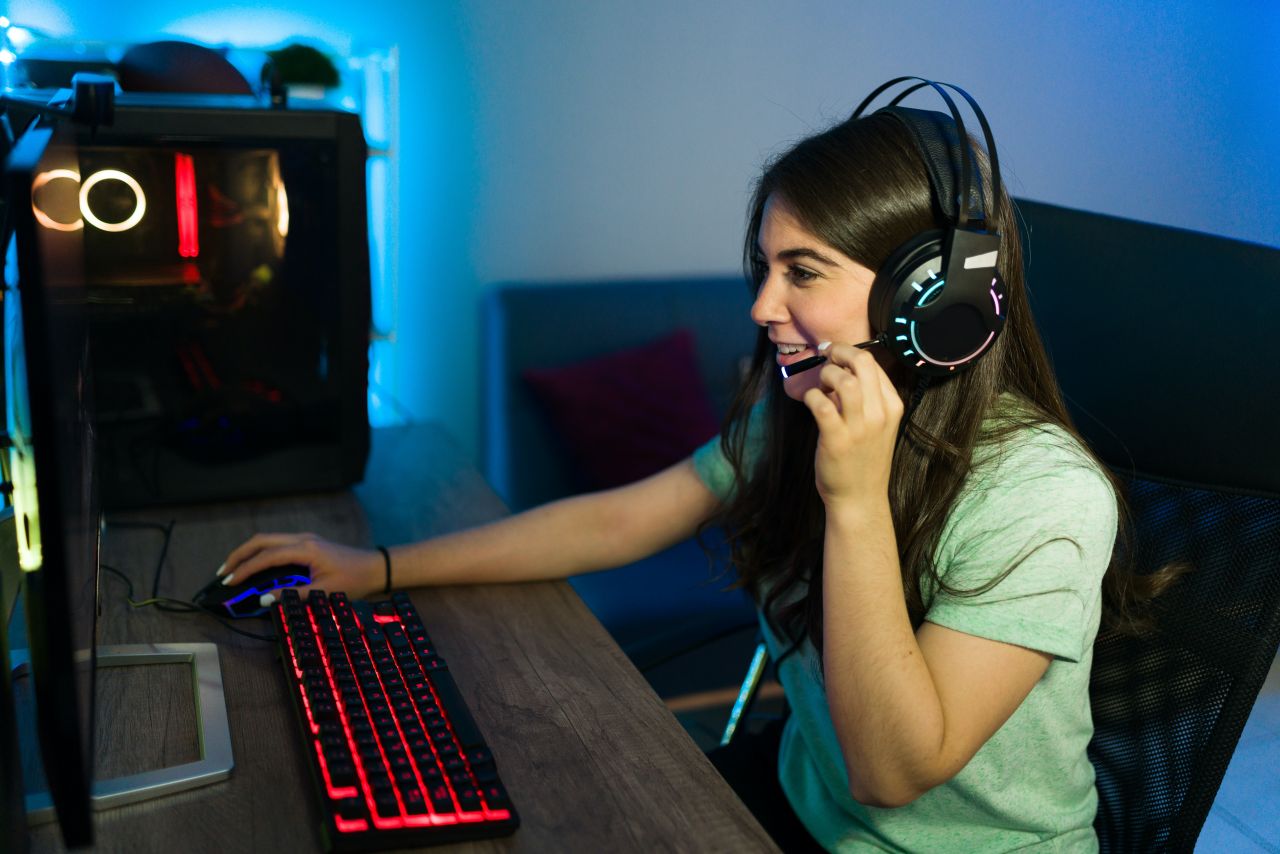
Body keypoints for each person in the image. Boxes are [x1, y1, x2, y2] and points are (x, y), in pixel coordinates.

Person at [217, 81, 1169, 852]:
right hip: (800, 796)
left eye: (802, 272)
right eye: (764, 266)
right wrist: (375, 569)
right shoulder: (800, 412)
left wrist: (855, 506)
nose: (761, 305)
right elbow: (623, 519)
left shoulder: (1043, 495)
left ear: (940, 304)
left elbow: (894, 770)